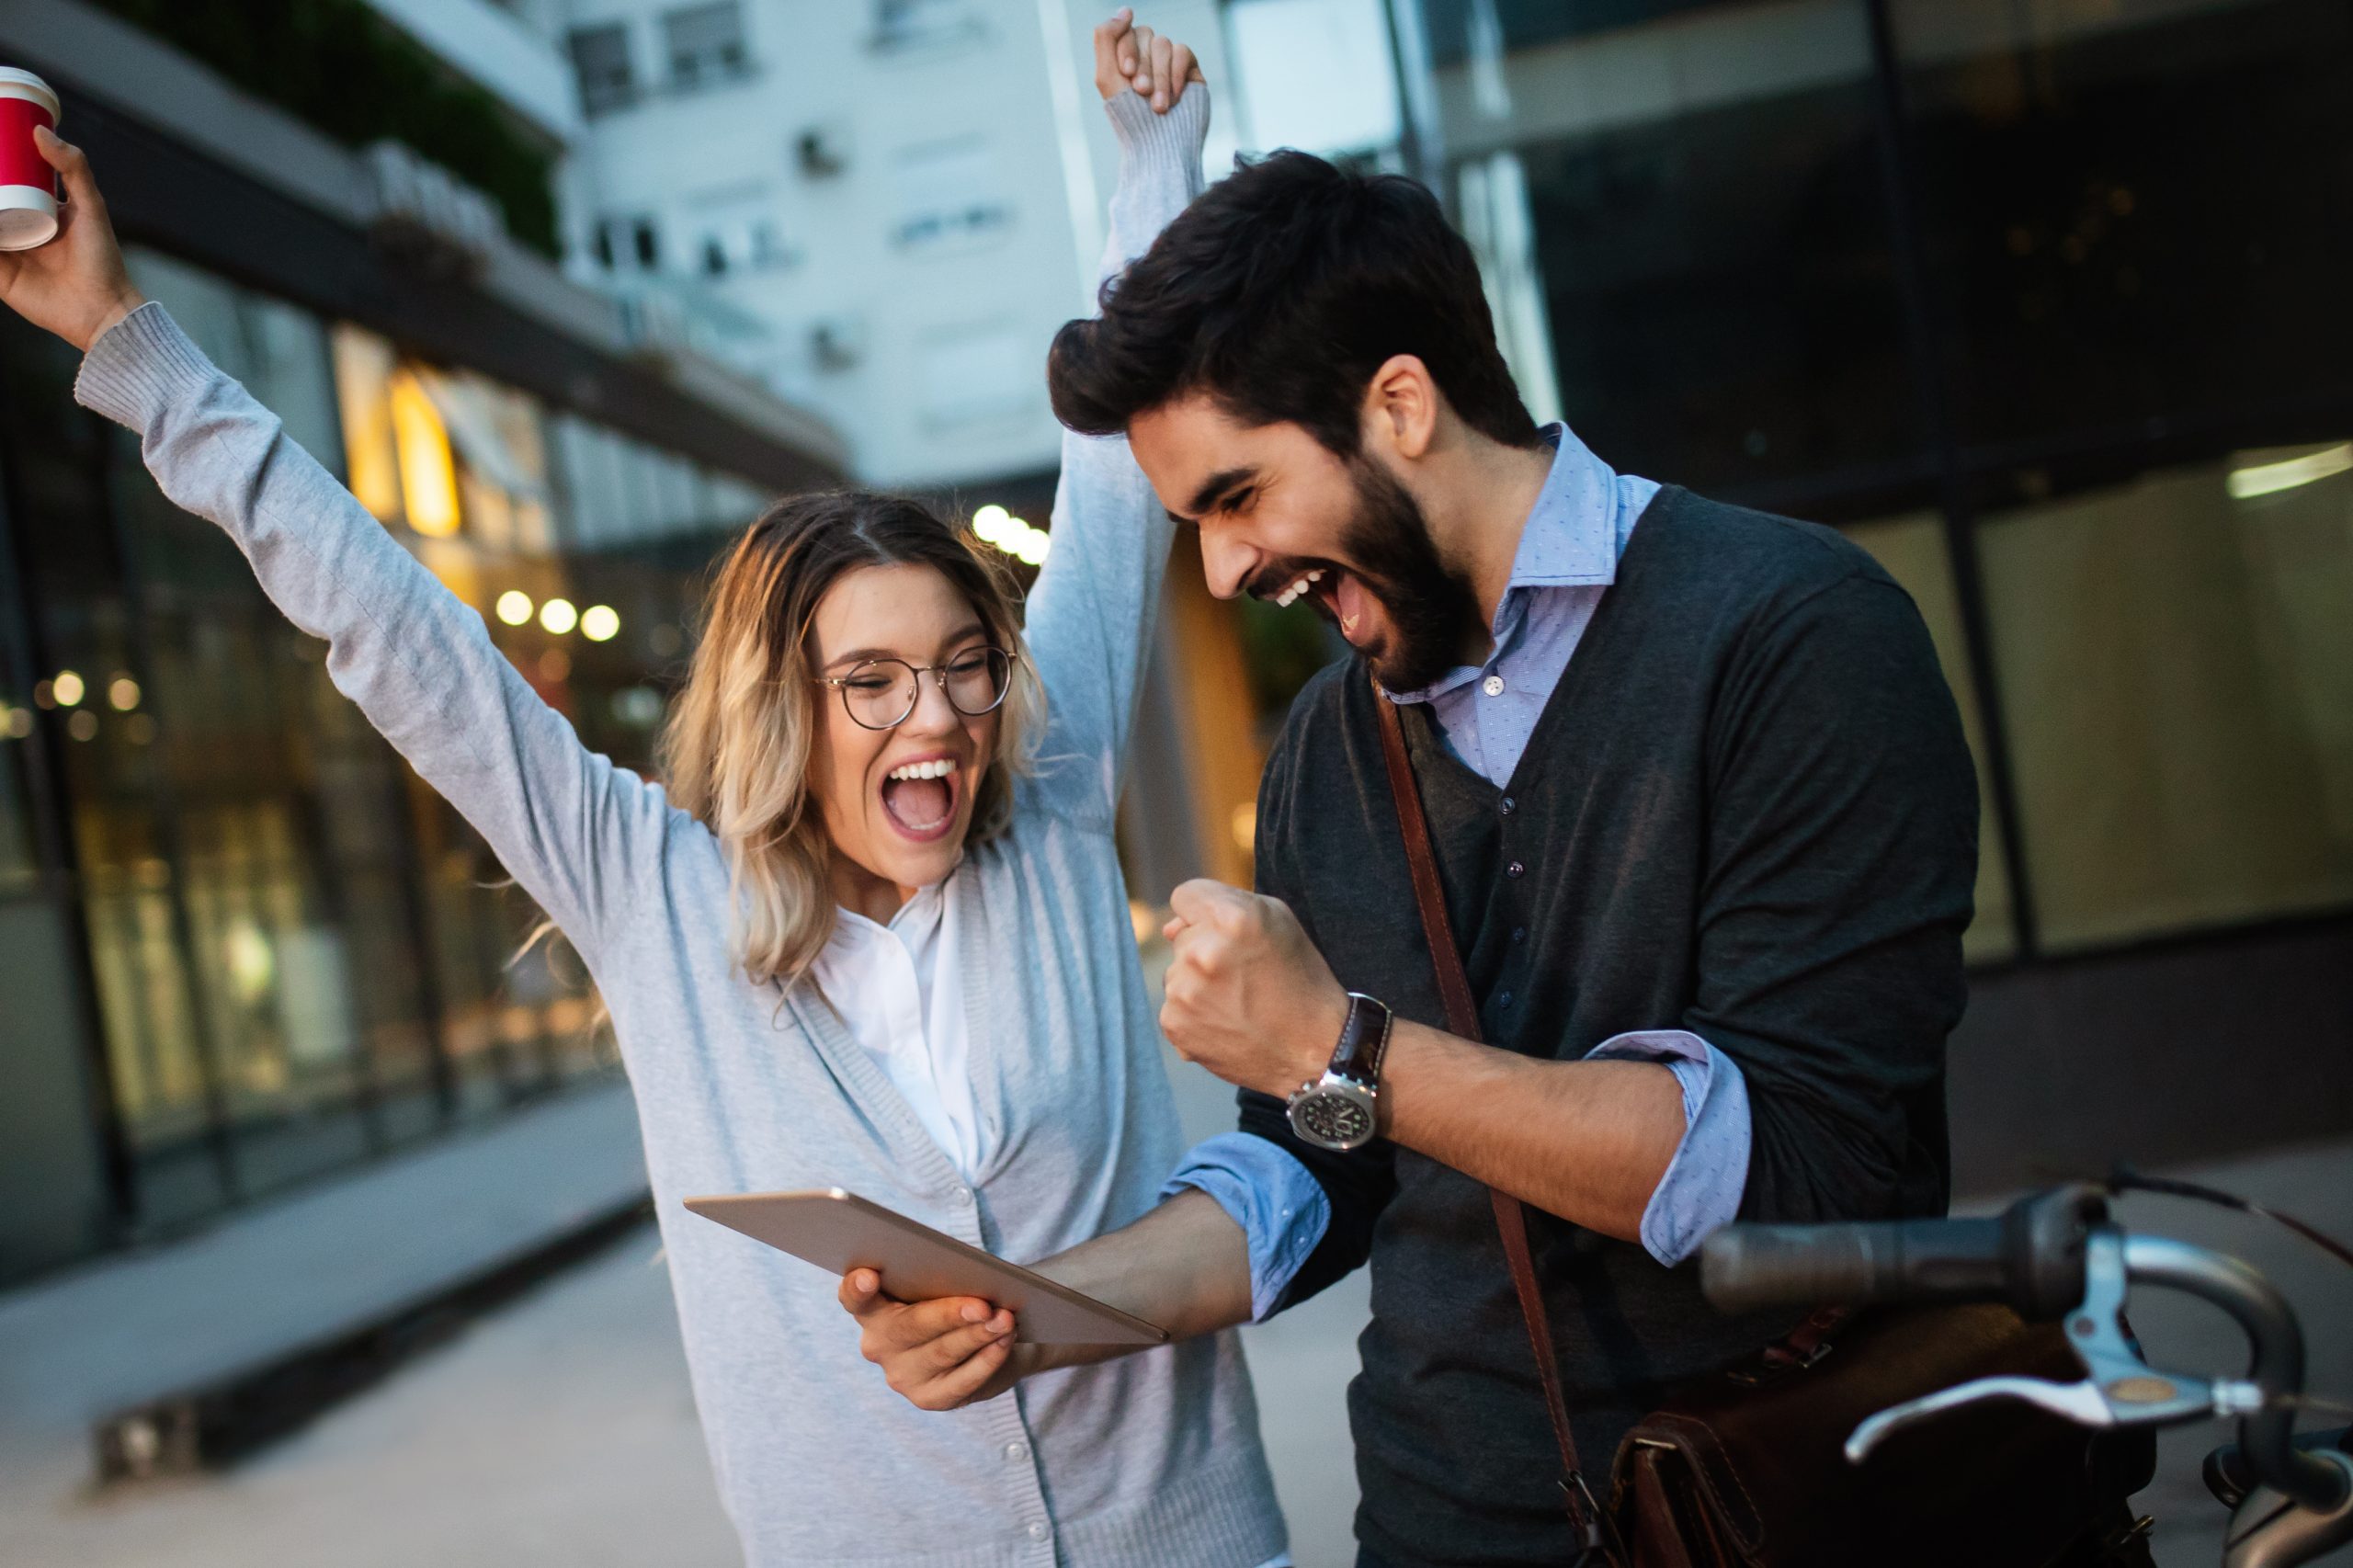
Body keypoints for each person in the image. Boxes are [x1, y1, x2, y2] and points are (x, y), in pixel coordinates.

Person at [1, 16, 1293, 1567]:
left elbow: (1100, 475)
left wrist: (1153, 171)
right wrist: (129, 346)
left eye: (960, 665)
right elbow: (389, 625)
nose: (936, 720)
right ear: (784, 709)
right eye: (869, 683)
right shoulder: (653, 892)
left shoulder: (1054, 800)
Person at [843, 138, 1984, 1564]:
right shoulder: (1328, 751)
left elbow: (1800, 1174)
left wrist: (1343, 1045)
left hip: (1781, 1505)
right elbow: (1326, 1161)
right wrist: (1033, 1310)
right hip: (1446, 1522)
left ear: (1400, 403)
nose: (1223, 570)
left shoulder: (1797, 639)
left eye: (1238, 496)